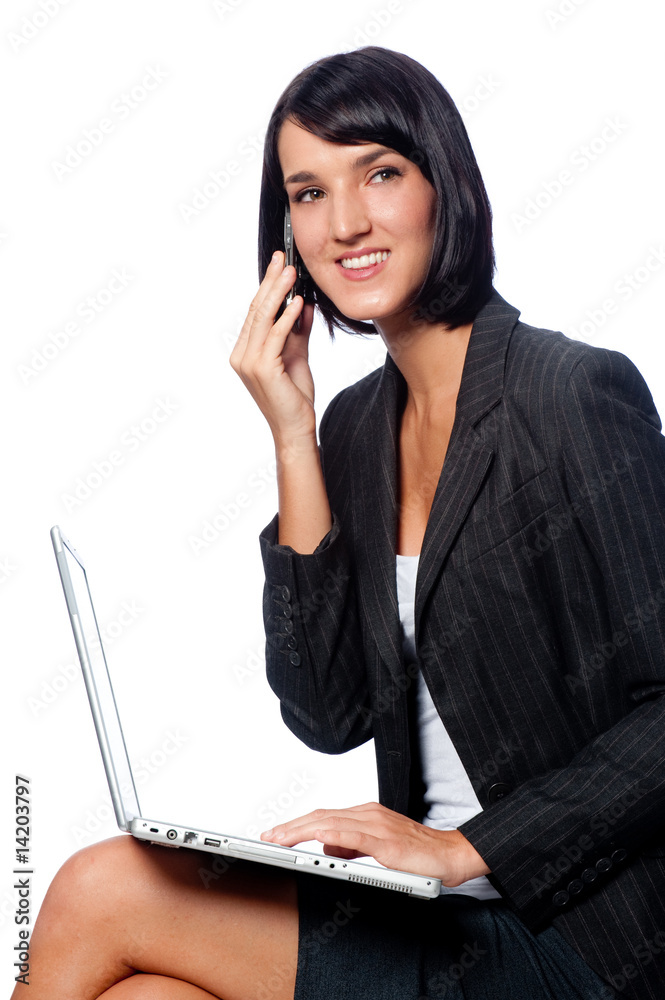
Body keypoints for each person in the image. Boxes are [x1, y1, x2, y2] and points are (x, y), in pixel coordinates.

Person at [15, 46, 665, 1000]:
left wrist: (465, 848)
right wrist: (293, 432)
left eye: (380, 174)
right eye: (309, 193)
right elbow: (326, 713)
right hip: (437, 919)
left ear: (444, 186)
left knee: (102, 887)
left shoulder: (570, 394)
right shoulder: (358, 429)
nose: (346, 222)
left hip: (582, 946)